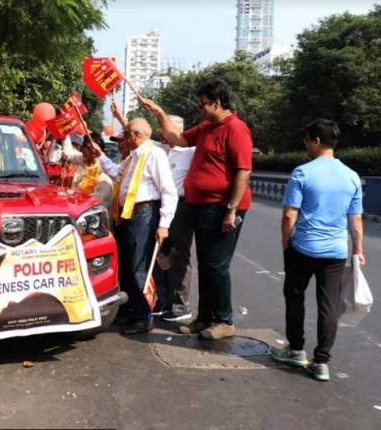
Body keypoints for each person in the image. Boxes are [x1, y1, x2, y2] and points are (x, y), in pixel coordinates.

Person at [143, 78, 252, 340]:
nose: (200, 109)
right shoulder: (207, 127)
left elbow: (243, 171)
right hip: (201, 206)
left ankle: (224, 320)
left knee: (217, 265)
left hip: (221, 207)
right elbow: (176, 139)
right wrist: (159, 113)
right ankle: (205, 318)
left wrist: (231, 210)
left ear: (217, 103)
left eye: (204, 104)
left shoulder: (235, 129)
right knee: (206, 264)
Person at [271, 119, 365, 382]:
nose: (305, 145)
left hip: (303, 247)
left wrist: (285, 242)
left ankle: (297, 350)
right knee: (328, 306)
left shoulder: (303, 173)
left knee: (295, 295)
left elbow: (290, 214)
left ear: (315, 141)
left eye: (306, 140)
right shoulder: (351, 176)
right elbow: (355, 219)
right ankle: (321, 361)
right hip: (336, 251)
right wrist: (358, 250)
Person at [89, 118, 178, 334]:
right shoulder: (133, 157)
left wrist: (164, 224)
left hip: (145, 213)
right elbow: (116, 173)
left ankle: (144, 315)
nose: (125, 138)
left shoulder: (154, 154)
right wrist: (99, 154)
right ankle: (131, 310)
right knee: (128, 264)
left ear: (134, 135)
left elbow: (168, 191)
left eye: (127, 133)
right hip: (129, 214)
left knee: (140, 265)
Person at [153, 116, 196, 322]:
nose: (161, 133)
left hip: (181, 207)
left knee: (179, 256)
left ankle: (181, 306)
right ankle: (162, 301)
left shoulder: (191, 153)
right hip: (162, 206)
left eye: (164, 128)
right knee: (161, 254)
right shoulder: (161, 151)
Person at [72, 133, 114, 216]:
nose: (82, 149)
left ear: (95, 151)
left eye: (87, 147)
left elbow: (95, 205)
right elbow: (67, 153)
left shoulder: (104, 178)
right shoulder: (82, 162)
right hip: (77, 214)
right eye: (83, 146)